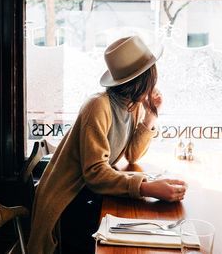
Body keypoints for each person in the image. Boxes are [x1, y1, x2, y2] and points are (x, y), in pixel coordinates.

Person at [27, 35, 187, 254]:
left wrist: (150, 117)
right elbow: (94, 173)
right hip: (69, 200)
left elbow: (132, 155)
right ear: (141, 79)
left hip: (90, 193)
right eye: (151, 73)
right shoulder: (98, 106)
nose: (155, 80)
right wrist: (147, 187)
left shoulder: (132, 104)